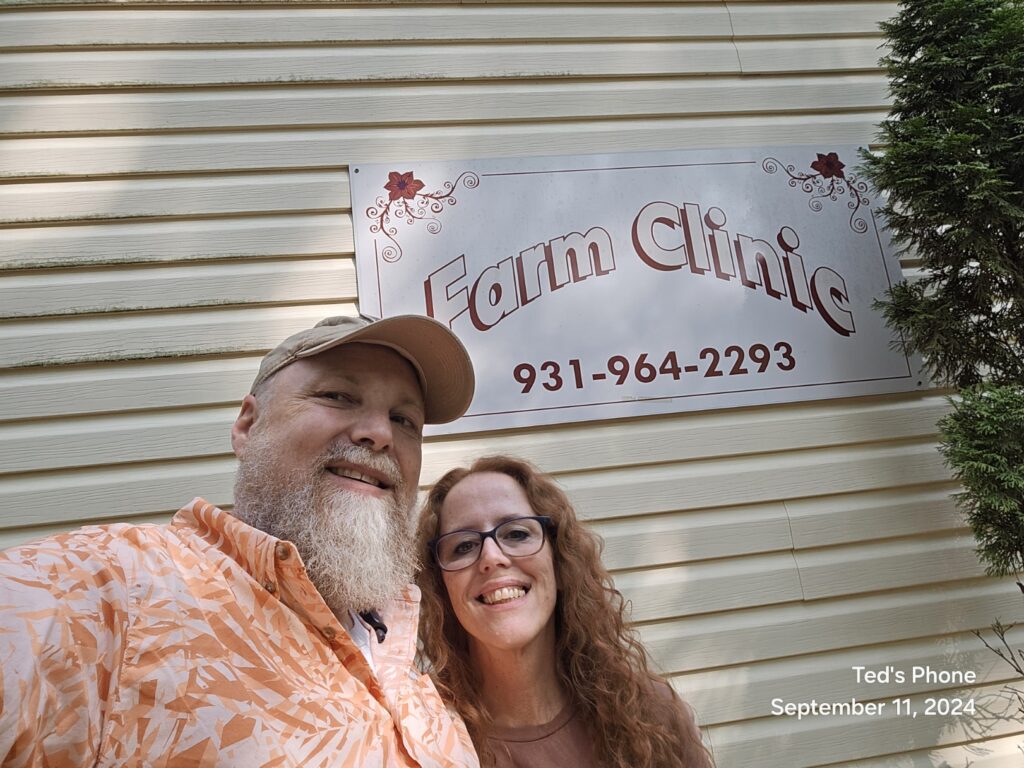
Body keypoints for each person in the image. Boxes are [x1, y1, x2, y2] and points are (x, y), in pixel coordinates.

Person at [0, 314, 481, 768]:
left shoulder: (420, 674)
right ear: (248, 426)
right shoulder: (115, 588)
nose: (378, 433)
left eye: (404, 420)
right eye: (337, 396)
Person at [415, 455, 715, 768]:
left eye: (516, 533)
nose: (492, 556)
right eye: (463, 545)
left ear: (559, 563)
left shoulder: (651, 715)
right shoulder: (422, 741)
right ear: (441, 589)